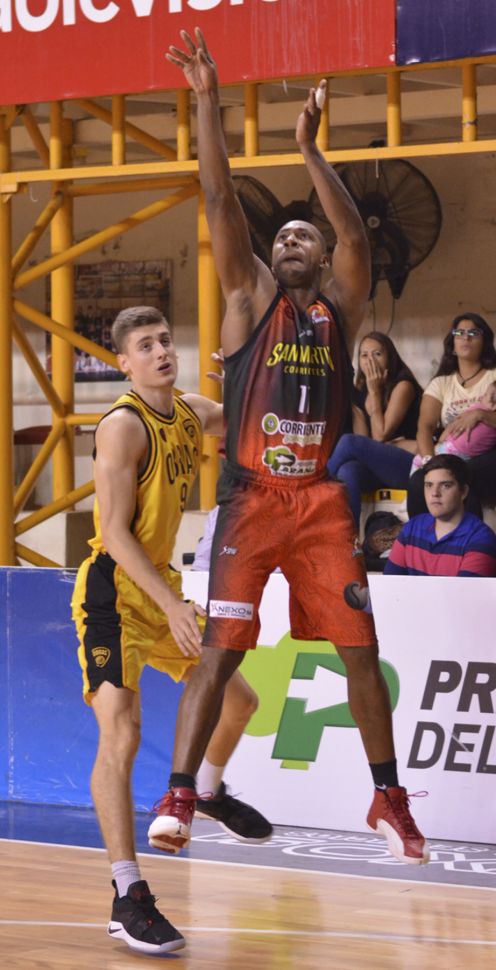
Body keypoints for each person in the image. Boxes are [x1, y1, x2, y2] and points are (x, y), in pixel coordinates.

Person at [148, 27, 429, 872]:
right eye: (282, 239)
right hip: (250, 499)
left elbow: (359, 244)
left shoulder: (340, 308)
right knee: (222, 650)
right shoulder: (247, 300)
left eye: (303, 236)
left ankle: (387, 797)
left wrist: (310, 150)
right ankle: (181, 793)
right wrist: (207, 100)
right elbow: (218, 197)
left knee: (360, 653)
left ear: (322, 255)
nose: (289, 243)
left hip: (318, 505)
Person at [71, 305, 271, 957]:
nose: (161, 351)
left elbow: (238, 418)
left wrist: (246, 377)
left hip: (160, 588)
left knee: (240, 702)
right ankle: (127, 893)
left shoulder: (187, 411)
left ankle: (205, 790)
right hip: (114, 592)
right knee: (122, 732)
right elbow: (115, 532)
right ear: (124, 363)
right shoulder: (122, 427)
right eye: (145, 345)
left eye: (165, 340)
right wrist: (172, 606)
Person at [327, 331, 421, 527]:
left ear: (390, 358)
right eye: (364, 355)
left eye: (377, 354)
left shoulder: (403, 385)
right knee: (348, 470)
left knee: (348, 442)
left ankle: (314, 490)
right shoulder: (360, 392)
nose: (370, 361)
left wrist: (375, 393)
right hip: (380, 467)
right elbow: (363, 444)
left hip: (409, 465)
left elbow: (379, 435)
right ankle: (348, 539)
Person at [409, 313, 496, 518]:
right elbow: (425, 427)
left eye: (473, 333)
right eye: (460, 333)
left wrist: (480, 415)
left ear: (484, 342)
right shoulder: (442, 383)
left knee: (463, 474)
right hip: (449, 453)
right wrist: (430, 463)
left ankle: (470, 537)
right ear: (452, 344)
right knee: (419, 481)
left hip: (489, 453)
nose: (466, 337)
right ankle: (420, 536)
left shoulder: (493, 377)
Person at [386, 455, 496, 576]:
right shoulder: (411, 528)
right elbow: (390, 584)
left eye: (445, 485)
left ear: (464, 492)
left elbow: (464, 589)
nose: (435, 493)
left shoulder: (481, 539)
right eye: (429, 485)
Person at [410, 379, 496, 472]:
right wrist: (441, 441)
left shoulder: (481, 409)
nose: (482, 397)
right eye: (485, 394)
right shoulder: (477, 407)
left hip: (467, 456)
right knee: (419, 461)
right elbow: (454, 424)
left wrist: (480, 414)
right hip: (449, 447)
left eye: (486, 395)